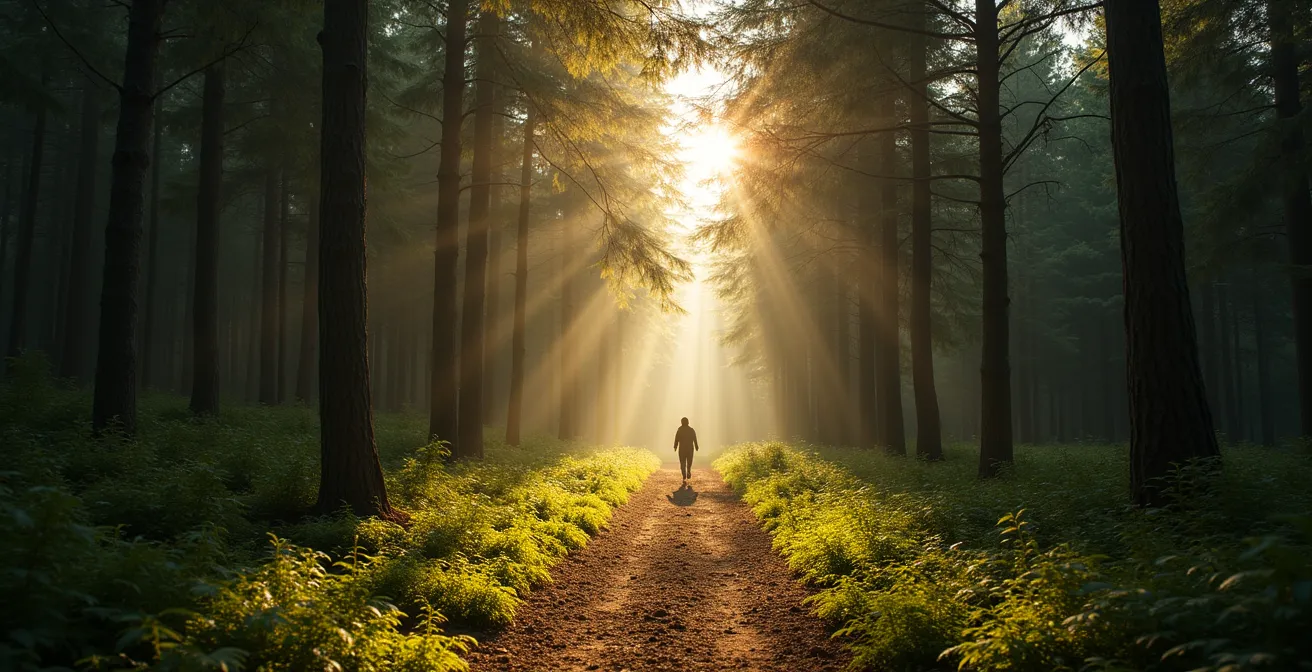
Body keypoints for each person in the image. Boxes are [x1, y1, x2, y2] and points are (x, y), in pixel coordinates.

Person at [673, 417, 699, 481]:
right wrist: (696, 446)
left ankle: (684, 473)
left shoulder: (680, 430)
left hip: (682, 449)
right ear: (688, 422)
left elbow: (676, 439)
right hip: (690, 448)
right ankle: (688, 470)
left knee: (682, 462)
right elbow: (694, 438)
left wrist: (675, 446)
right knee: (689, 461)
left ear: (681, 422)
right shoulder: (691, 430)